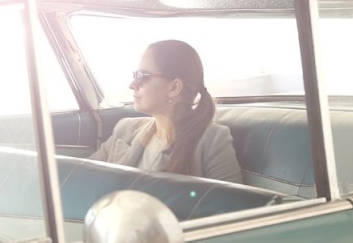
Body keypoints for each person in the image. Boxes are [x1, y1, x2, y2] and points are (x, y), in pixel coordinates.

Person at [90, 40, 242, 183]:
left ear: (174, 88)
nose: (132, 84)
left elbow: (232, 206)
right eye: (135, 75)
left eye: (142, 76)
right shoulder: (125, 129)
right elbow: (81, 177)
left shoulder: (212, 141)